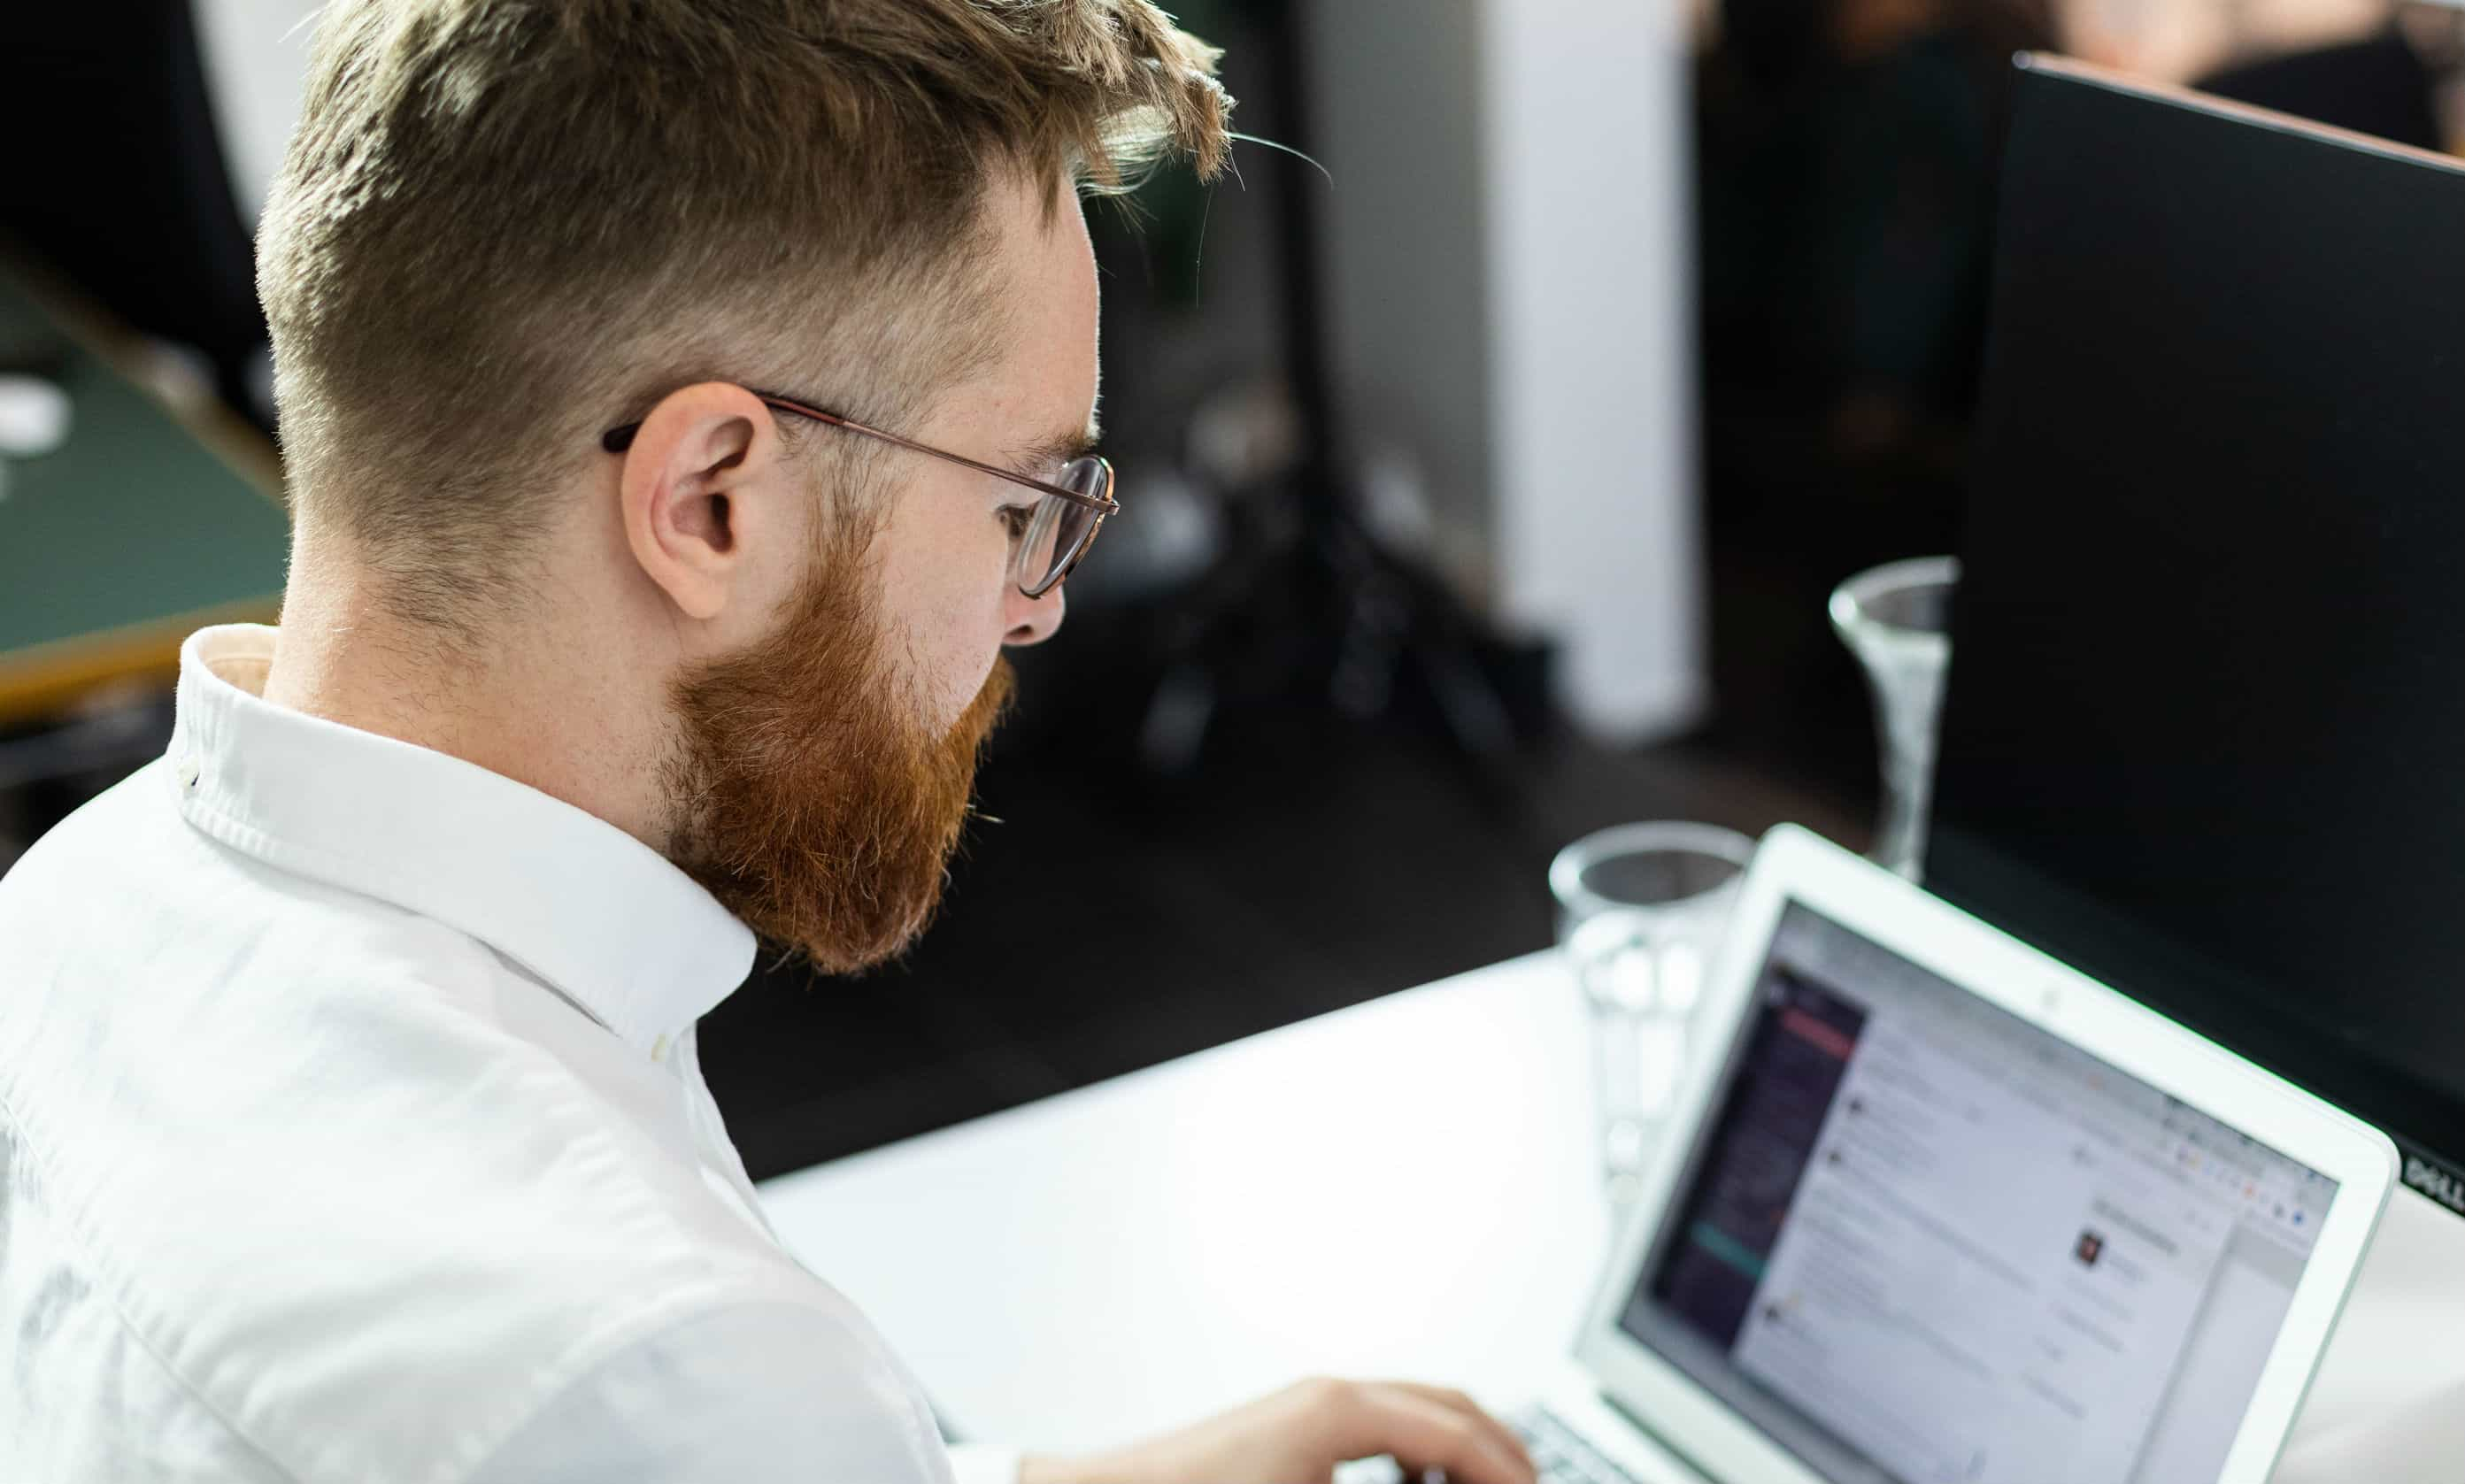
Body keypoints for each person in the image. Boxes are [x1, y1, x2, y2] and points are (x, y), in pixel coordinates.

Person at [0, 4, 1536, 1481]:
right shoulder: (659, 1360)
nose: (1035, 613)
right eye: (1024, 508)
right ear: (711, 501)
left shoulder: (72, 908)